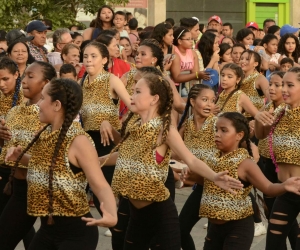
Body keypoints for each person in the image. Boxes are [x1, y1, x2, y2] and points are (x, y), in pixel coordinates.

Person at [101, 71, 244, 249]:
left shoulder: (164, 128)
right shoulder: (133, 124)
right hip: (135, 212)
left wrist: (215, 177)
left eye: (138, 91)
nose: (132, 95)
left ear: (154, 99)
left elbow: (190, 160)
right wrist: (90, 162)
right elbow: (123, 156)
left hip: (159, 213)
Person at [5, 78, 117, 249]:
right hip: (47, 232)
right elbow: (54, 165)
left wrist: (111, 214)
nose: (39, 104)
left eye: (43, 99)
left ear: (57, 105)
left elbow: (99, 184)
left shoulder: (79, 141)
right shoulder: (46, 133)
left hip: (75, 236)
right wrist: (21, 157)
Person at [200, 111, 300, 250]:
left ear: (239, 135)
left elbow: (268, 188)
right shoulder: (211, 157)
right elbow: (198, 179)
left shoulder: (245, 163)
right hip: (214, 228)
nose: (217, 134)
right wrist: (184, 175)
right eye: (216, 129)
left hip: (238, 228)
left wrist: (284, 186)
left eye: (224, 130)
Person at [0, 61, 56, 250]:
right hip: (18, 190)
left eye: (31, 77)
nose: (24, 81)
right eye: (24, 76)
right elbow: (6, 151)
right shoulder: (14, 111)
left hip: (45, 191)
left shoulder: (52, 114)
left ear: (46, 83)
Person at [254, 67, 300, 250]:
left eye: (290, 85)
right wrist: (259, 118)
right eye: (283, 85)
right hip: (286, 190)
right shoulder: (280, 112)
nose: (284, 90)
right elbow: (260, 135)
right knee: (273, 242)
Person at [177, 84, 218, 250]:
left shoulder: (217, 124)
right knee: (180, 229)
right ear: (192, 101)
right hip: (201, 187)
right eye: (205, 100)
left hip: (218, 188)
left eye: (212, 101)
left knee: (214, 239)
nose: (209, 104)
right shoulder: (187, 125)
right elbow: (174, 152)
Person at [239, 50, 270, 117]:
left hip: (253, 119)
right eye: (241, 58)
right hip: (238, 118)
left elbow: (271, 100)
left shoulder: (260, 78)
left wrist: (259, 114)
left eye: (247, 59)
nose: (243, 61)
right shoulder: (238, 78)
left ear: (255, 64)